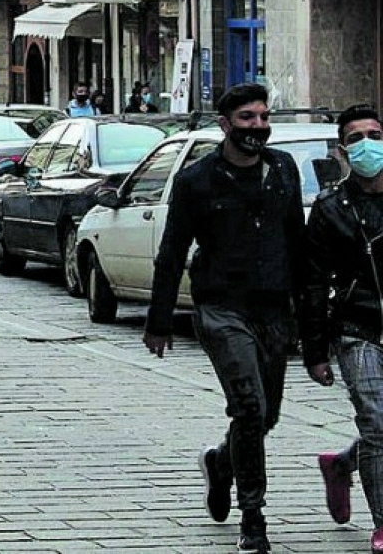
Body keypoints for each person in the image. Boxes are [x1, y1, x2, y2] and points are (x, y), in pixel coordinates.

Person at [143, 82, 306, 554]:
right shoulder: (197, 181)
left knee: (266, 415)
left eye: (263, 117)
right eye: (247, 118)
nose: (258, 126)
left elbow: (295, 240)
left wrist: (307, 315)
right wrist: (157, 320)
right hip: (221, 308)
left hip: (273, 308)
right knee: (250, 408)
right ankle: (253, 519)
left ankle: (220, 462)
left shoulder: (282, 170)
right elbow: (172, 252)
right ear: (225, 125)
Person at [299, 103, 383, 553]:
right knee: (378, 424)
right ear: (342, 150)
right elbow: (312, 282)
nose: (368, 144)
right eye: (356, 138)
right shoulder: (332, 207)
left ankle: (342, 465)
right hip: (360, 326)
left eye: (375, 133)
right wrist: (314, 350)